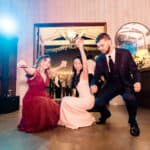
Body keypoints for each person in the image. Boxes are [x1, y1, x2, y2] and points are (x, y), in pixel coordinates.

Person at [90, 33, 141, 136]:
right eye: (98, 46)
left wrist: (137, 81)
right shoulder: (99, 59)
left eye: (102, 45)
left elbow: (135, 70)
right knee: (98, 102)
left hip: (125, 84)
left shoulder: (125, 53)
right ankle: (105, 114)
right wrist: (93, 84)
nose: (100, 49)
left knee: (130, 99)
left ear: (109, 41)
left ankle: (133, 123)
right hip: (111, 85)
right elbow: (96, 76)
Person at [17, 55, 67, 133]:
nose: (47, 63)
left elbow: (53, 70)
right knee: (44, 102)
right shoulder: (34, 71)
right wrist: (24, 66)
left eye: (49, 62)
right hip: (31, 97)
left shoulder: (47, 73)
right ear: (40, 62)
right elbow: (29, 70)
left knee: (54, 104)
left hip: (43, 95)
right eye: (45, 61)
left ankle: (56, 121)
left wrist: (61, 66)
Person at [58, 38, 95, 129]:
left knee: (65, 100)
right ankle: (72, 119)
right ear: (73, 65)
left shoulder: (84, 73)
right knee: (65, 99)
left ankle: (68, 120)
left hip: (88, 100)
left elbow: (86, 64)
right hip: (82, 99)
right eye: (75, 63)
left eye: (79, 63)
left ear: (82, 64)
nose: (77, 65)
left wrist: (81, 48)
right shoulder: (76, 75)